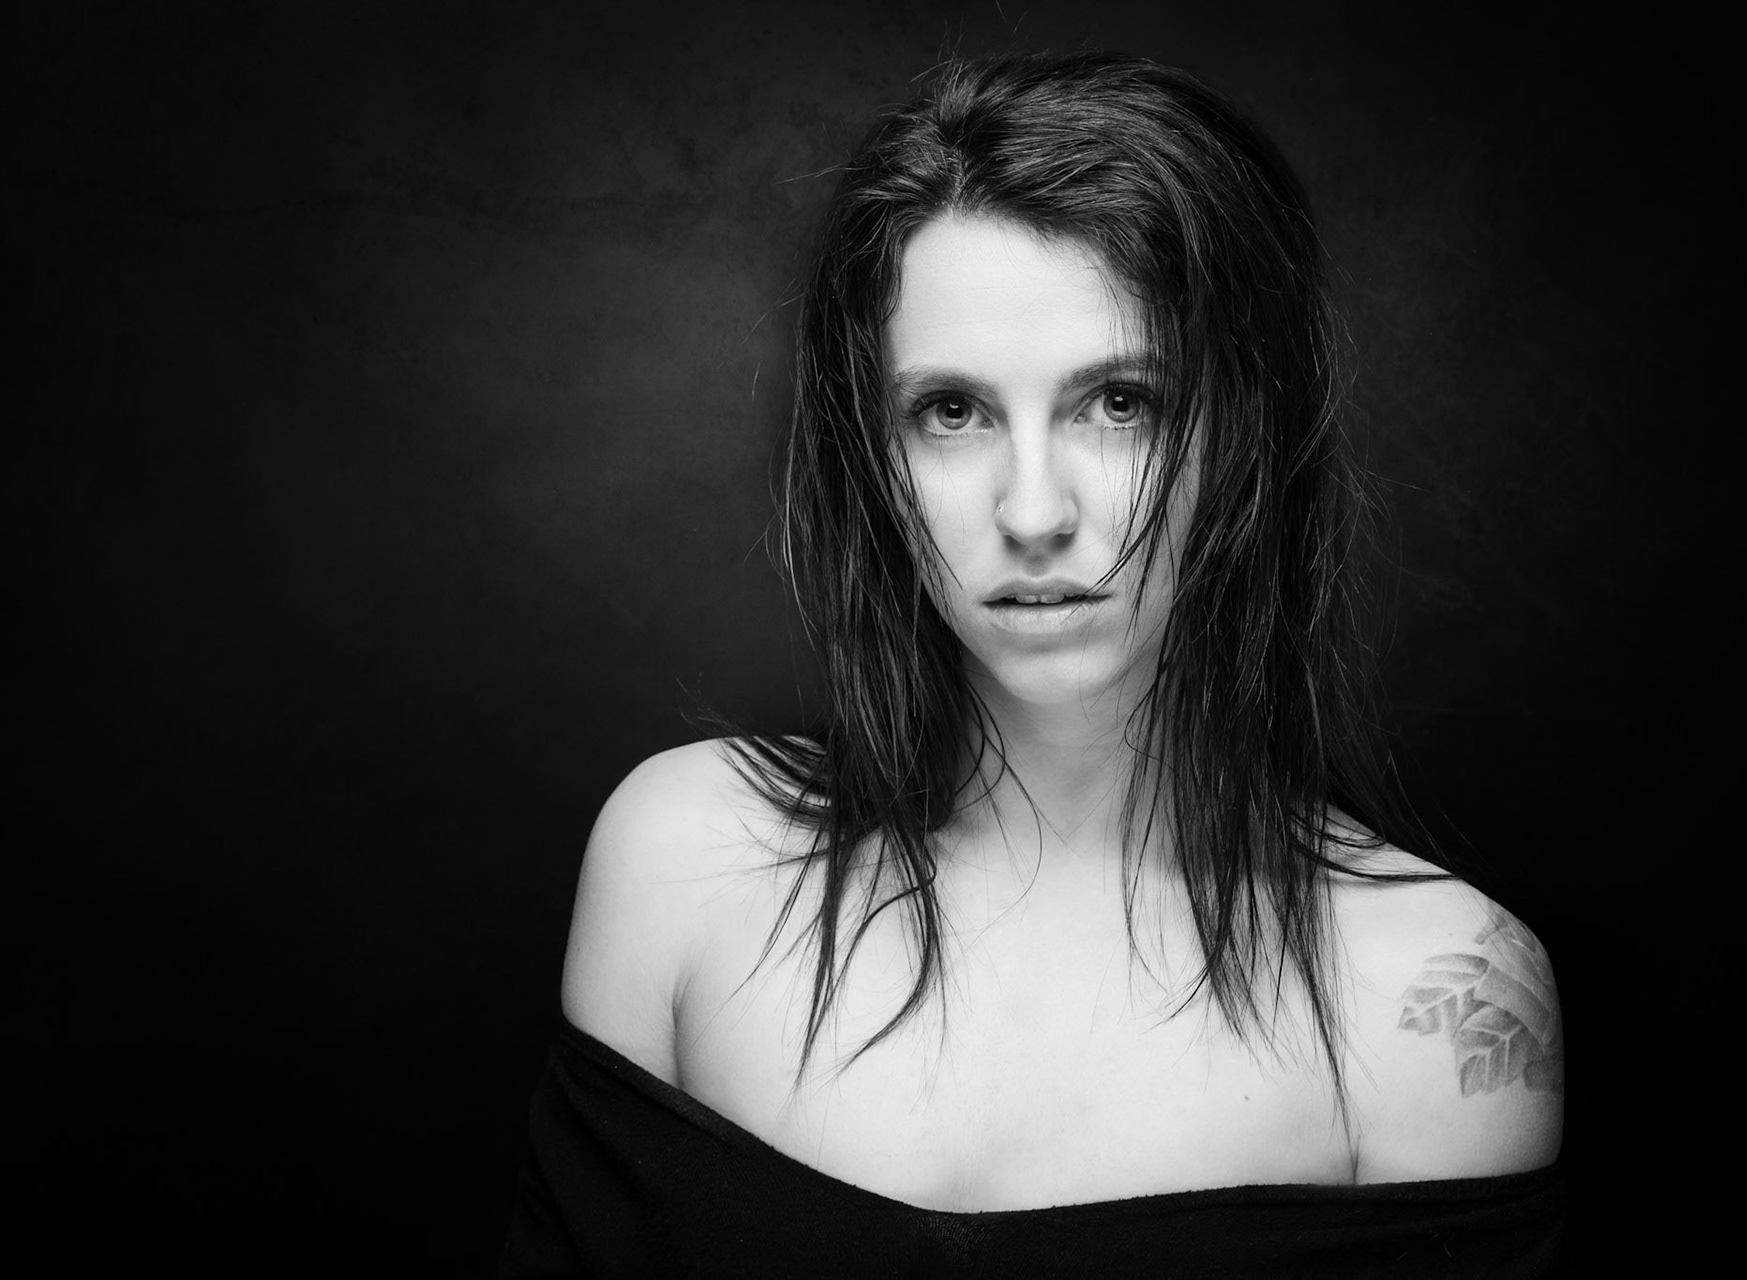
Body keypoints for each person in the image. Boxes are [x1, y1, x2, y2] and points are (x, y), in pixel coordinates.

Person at [503, 51, 1564, 1277]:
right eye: (951, 411)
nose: (1034, 511)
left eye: (1121, 401)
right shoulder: (685, 864)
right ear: (874, 457)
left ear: (1247, 431)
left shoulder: (1441, 1002)